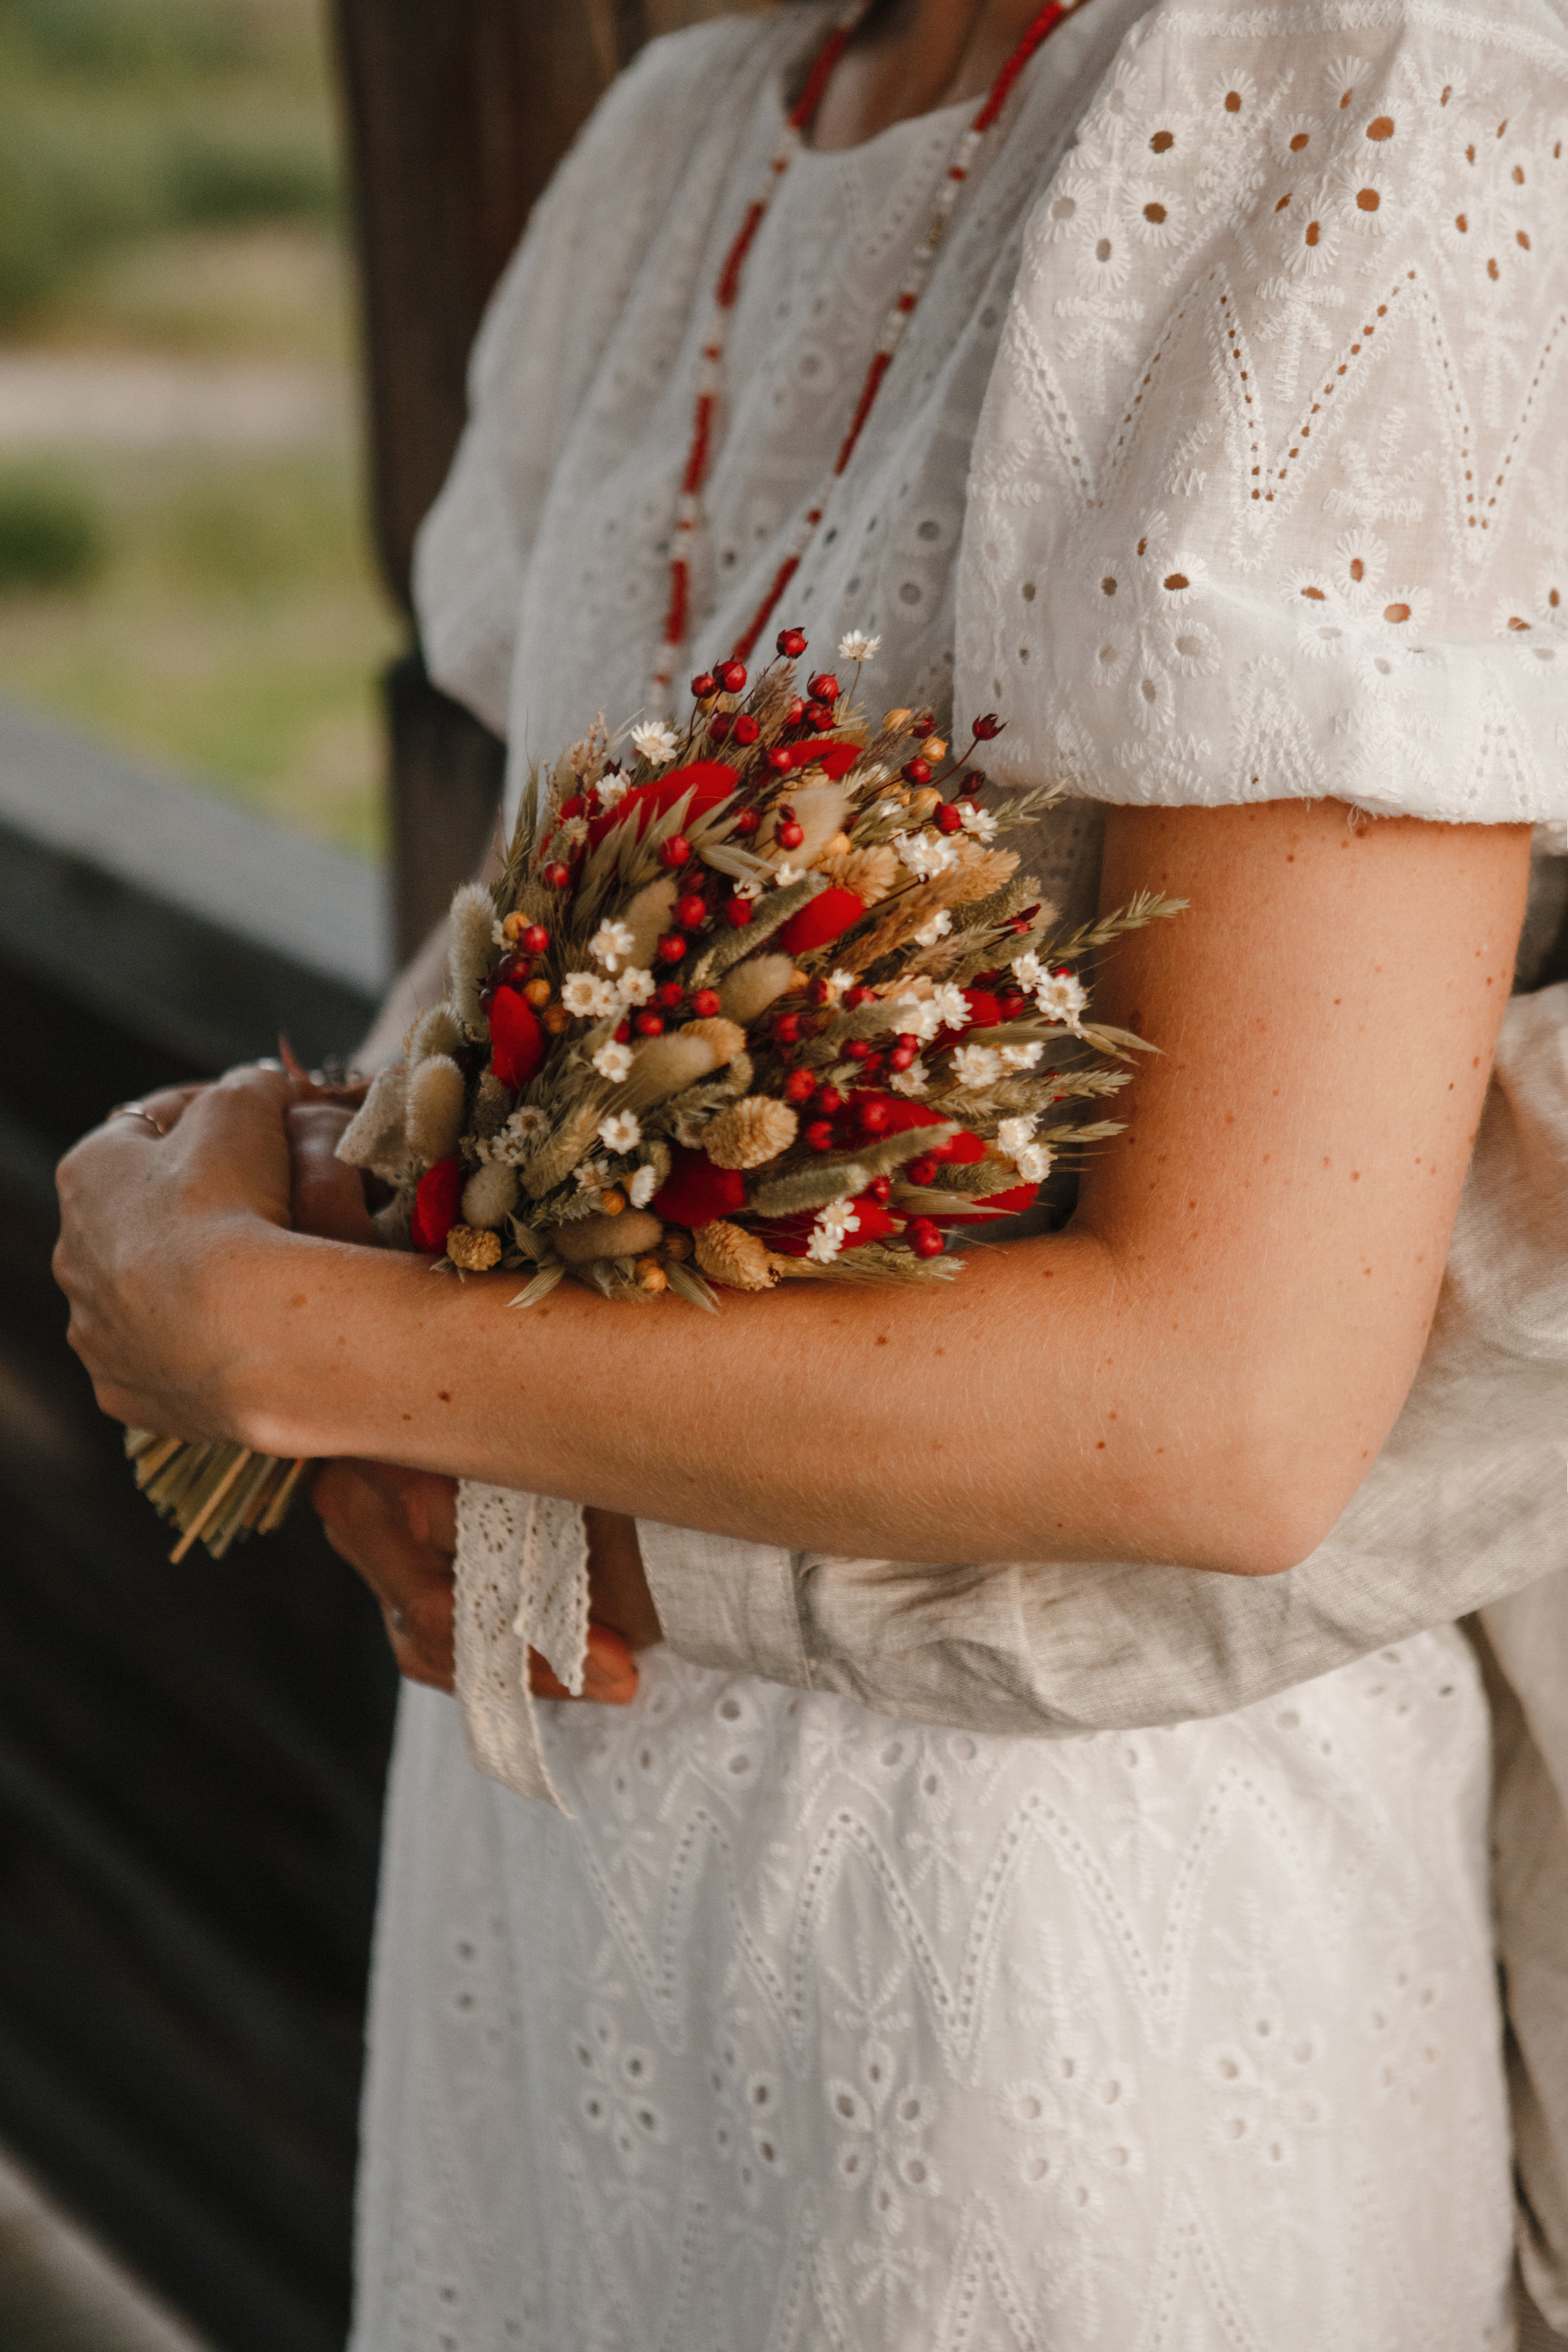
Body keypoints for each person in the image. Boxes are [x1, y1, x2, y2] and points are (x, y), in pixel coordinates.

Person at [51, 0, 1568, 2337]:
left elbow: (1230, 1402)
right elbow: (525, 952)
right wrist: (285, 1176)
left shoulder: (1356, 97)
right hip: (557, 1883)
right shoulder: (685, 145)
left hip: (1046, 1962)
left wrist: (294, 1343)